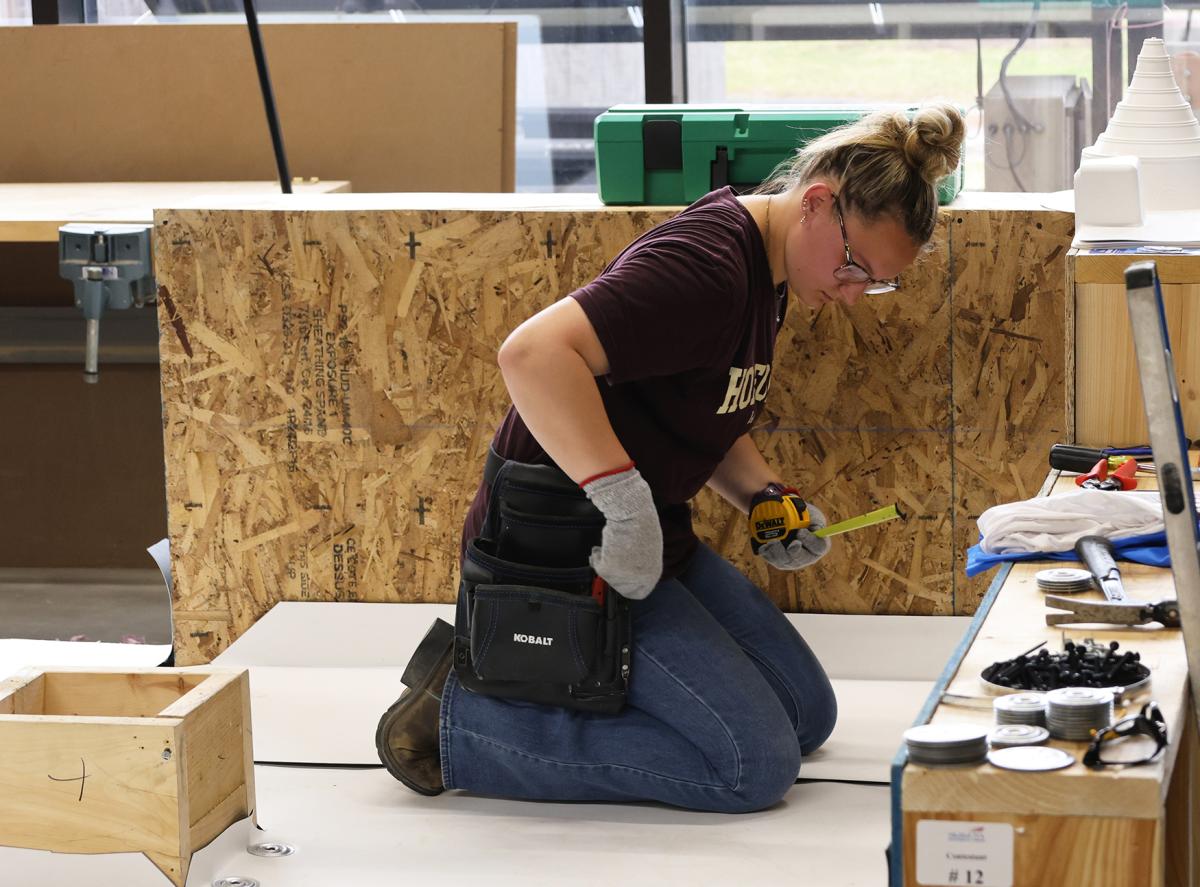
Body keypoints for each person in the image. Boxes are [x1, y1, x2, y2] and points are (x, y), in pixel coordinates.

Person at [376, 104, 966, 813]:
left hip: (650, 534)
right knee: (755, 765)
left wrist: (765, 497)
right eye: (852, 269)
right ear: (817, 202)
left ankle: (597, 692)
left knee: (806, 712)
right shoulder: (707, 268)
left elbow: (703, 408)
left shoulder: (770, 270)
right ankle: (462, 724)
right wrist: (622, 505)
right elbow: (530, 355)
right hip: (567, 543)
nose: (848, 295)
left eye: (871, 283)